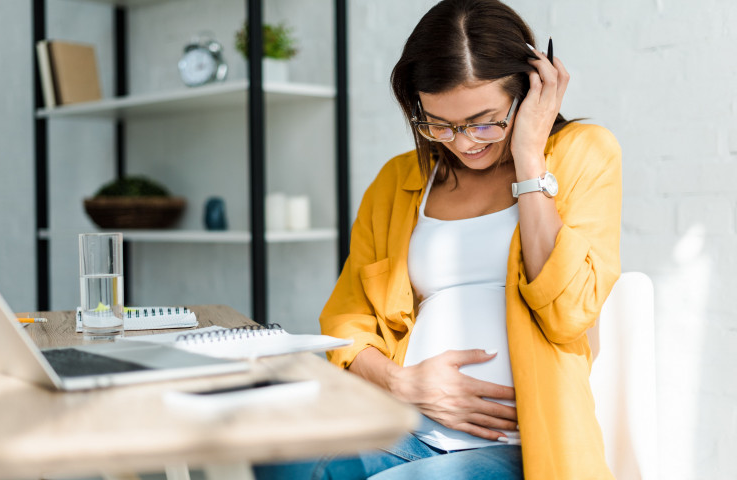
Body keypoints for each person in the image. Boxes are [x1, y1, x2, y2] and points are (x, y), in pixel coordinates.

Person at [255, 0, 621, 478]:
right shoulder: (397, 181)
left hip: (521, 448)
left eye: (484, 120)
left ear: (530, 91)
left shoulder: (580, 153)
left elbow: (569, 311)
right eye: (439, 123)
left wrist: (530, 157)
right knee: (274, 461)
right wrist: (404, 383)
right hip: (402, 426)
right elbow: (346, 320)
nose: (464, 141)